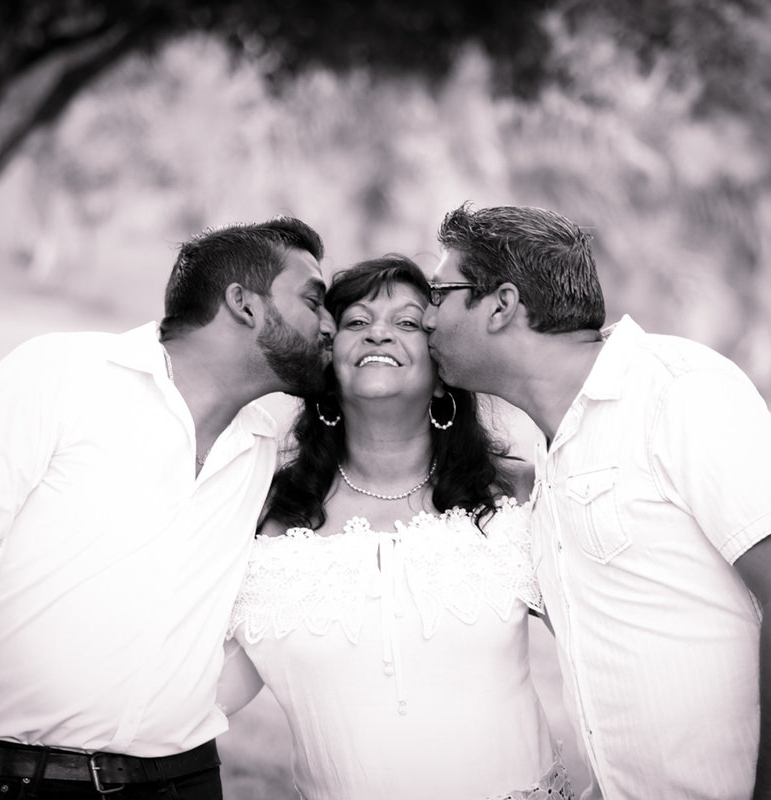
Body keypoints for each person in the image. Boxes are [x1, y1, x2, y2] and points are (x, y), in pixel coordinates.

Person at [422, 204, 771, 800]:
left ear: (501, 305)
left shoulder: (676, 389)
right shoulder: (551, 456)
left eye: (440, 291)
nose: (425, 316)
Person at [0, 217, 334, 800]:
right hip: (26, 777)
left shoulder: (271, 435)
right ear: (244, 304)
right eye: (314, 301)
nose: (330, 326)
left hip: (187, 781)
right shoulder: (62, 373)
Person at [217, 255, 574, 800]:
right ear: (328, 370)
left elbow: (603, 654)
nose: (378, 332)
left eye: (408, 323)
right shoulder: (265, 513)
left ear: (440, 378)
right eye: (356, 323)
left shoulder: (515, 497)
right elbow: (208, 689)